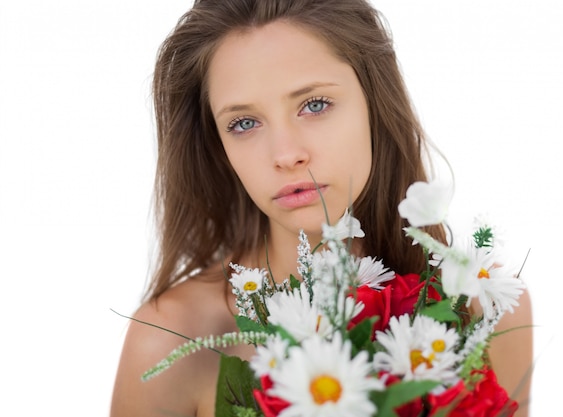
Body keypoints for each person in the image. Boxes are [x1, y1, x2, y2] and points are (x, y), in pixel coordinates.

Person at [110, 1, 534, 416]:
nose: (286, 154)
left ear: (375, 103)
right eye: (244, 123)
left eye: (314, 105)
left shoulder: (486, 309)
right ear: (219, 148)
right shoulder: (170, 339)